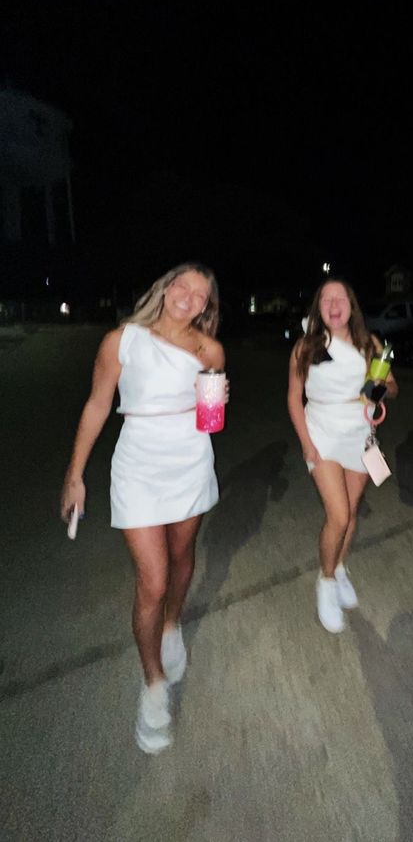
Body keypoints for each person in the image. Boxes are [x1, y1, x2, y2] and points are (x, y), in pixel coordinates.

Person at [60, 262, 225, 754]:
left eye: (200, 295)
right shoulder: (122, 340)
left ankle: (173, 623)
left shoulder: (209, 349)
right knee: (151, 579)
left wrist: (217, 404)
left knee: (182, 559)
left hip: (190, 463)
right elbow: (96, 405)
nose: (189, 297)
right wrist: (75, 475)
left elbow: (210, 420)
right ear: (164, 287)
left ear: (206, 307)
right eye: (183, 285)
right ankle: (152, 684)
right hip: (138, 468)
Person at [288, 277, 398, 634]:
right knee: (337, 515)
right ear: (318, 309)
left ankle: (340, 567)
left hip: (359, 432)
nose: (334, 306)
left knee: (350, 514)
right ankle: (326, 580)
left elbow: (391, 386)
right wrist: (306, 444)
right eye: (326, 300)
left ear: (351, 305)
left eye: (340, 299)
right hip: (321, 429)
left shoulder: (370, 344)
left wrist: (381, 389)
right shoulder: (307, 346)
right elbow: (294, 398)